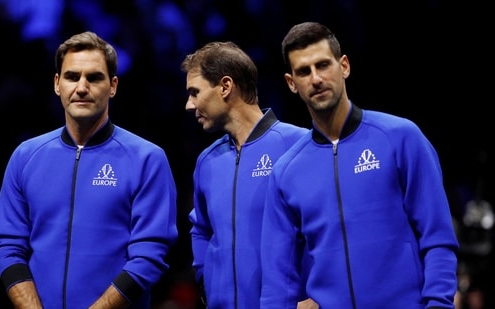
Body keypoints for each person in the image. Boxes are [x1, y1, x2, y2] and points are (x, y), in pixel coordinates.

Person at [259, 21, 460, 308]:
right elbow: (278, 279)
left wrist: (438, 304)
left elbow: (438, 237)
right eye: (304, 71)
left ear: (344, 66)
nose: (315, 78)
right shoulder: (285, 171)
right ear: (292, 83)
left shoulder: (400, 138)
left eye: (323, 65)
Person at [0, 31, 178, 308]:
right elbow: (9, 248)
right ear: (57, 84)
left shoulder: (147, 159)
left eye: (94, 77)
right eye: (72, 76)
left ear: (113, 86)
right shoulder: (26, 156)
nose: (81, 87)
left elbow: (149, 256)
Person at [180, 41, 312, 309]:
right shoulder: (207, 162)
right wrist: (208, 280)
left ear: (225, 87)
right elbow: (201, 229)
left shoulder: (299, 146)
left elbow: (330, 229)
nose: (188, 105)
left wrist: (316, 296)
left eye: (195, 92)